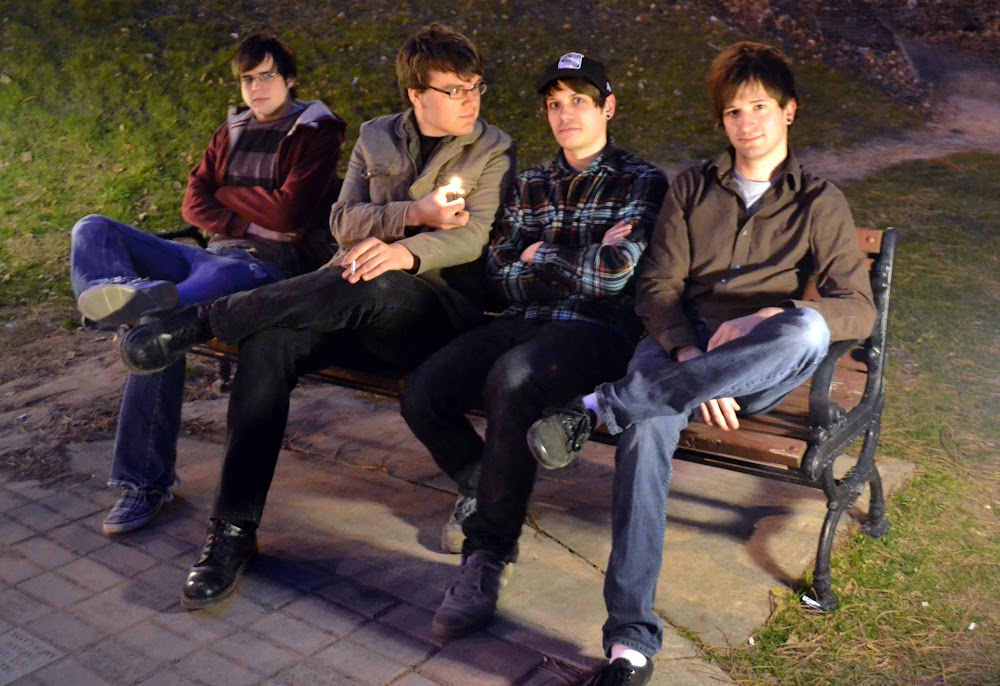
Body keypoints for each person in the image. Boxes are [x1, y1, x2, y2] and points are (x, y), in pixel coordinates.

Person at [118, 23, 515, 610]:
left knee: (374, 275)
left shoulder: (492, 148)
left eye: (474, 86)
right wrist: (413, 214)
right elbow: (341, 221)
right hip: (347, 299)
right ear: (416, 94)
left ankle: (203, 322)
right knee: (269, 345)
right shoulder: (377, 137)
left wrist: (404, 252)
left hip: (429, 316)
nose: (469, 100)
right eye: (453, 89)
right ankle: (233, 531)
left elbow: (472, 237)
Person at [526, 42, 878, 685]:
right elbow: (658, 287)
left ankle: (600, 406)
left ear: (789, 111)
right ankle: (630, 645)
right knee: (647, 430)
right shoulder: (691, 187)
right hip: (679, 348)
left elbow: (857, 308)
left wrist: (768, 317)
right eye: (734, 112)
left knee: (806, 328)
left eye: (760, 107)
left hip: (762, 359)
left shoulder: (819, 201)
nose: (747, 123)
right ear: (722, 120)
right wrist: (691, 357)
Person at [398, 52, 668, 642]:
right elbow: (500, 275)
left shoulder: (641, 180)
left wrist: (539, 253)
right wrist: (578, 257)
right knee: (423, 394)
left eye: (579, 102)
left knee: (513, 380)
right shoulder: (533, 182)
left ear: (608, 107)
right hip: (523, 320)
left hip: (595, 334)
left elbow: (614, 278)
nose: (565, 114)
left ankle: (488, 552)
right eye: (554, 104)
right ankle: (490, 483)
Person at [68, 34, 346, 537]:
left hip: (266, 271)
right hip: (208, 257)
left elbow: (291, 213)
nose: (256, 88)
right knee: (93, 227)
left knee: (161, 322)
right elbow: (193, 203)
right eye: (247, 79)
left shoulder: (317, 131)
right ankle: (114, 293)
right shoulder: (232, 129)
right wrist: (245, 208)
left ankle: (144, 484)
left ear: (290, 80)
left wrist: (226, 196)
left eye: (267, 76)